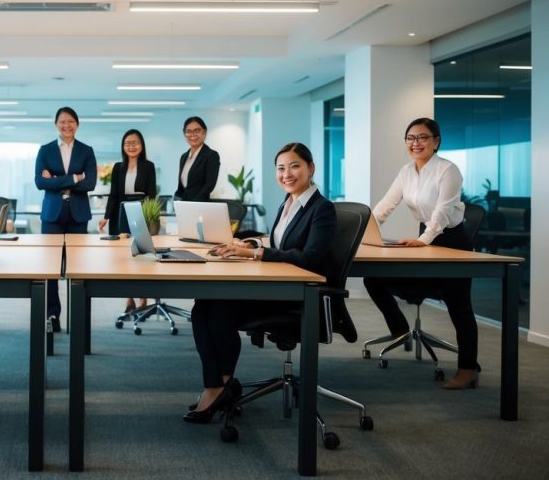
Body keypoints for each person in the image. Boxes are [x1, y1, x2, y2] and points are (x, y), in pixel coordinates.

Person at [185, 143, 336, 423]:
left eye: (294, 166)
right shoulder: (289, 203)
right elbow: (281, 242)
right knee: (202, 305)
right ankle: (217, 385)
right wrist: (252, 243)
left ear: (310, 169)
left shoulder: (321, 208)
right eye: (281, 168)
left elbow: (310, 258)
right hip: (280, 286)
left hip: (298, 295)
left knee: (220, 309)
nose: (287, 174)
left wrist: (255, 254)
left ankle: (220, 387)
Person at [363, 117, 479, 390]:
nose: (416, 143)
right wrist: (364, 231)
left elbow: (443, 211)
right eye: (410, 138)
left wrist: (423, 240)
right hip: (426, 238)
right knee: (373, 278)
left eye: (423, 137)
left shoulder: (448, 170)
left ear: (436, 141)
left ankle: (468, 368)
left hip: (452, 241)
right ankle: (400, 329)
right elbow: (385, 205)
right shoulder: (406, 171)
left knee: (459, 305)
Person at [35, 106, 97, 331]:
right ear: (56, 125)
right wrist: (74, 178)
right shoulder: (45, 150)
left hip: (78, 215)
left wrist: (56, 180)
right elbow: (40, 182)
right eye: (62, 121)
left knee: (77, 267)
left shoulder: (86, 151)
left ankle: (77, 316)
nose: (66, 125)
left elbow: (90, 183)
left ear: (77, 124)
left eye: (71, 121)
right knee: (51, 267)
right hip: (52, 215)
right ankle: (53, 315)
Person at [97, 129, 156, 313]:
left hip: (140, 212)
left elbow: (151, 194)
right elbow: (114, 194)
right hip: (120, 213)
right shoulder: (118, 167)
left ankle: (143, 297)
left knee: (142, 256)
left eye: (135, 142)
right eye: (127, 143)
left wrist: (148, 217)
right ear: (123, 146)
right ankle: (129, 299)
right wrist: (106, 216)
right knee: (123, 257)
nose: (131, 146)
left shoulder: (148, 166)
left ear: (142, 145)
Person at [174, 116, 220, 202]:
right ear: (184, 134)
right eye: (188, 131)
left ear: (204, 132)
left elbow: (209, 185)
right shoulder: (183, 157)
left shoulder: (211, 155)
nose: (192, 134)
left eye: (197, 130)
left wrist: (193, 204)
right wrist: (176, 201)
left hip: (200, 205)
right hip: (183, 204)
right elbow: (181, 187)